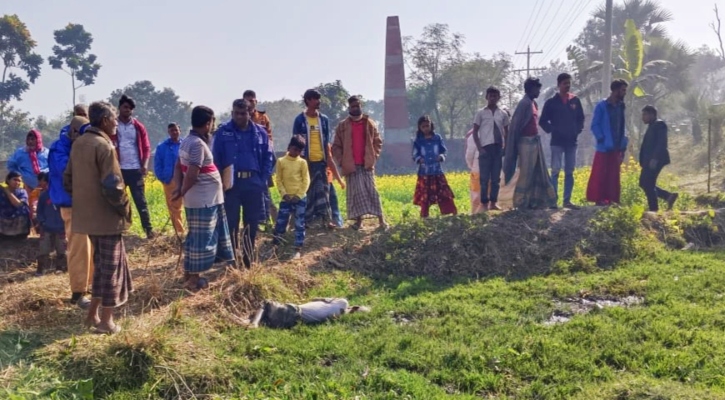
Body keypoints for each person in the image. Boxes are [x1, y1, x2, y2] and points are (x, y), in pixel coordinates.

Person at [64, 101, 132, 335]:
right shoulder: (104, 146)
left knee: (101, 268)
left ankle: (91, 315)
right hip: (107, 220)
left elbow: (68, 181)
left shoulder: (78, 144)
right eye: (113, 119)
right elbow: (114, 187)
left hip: (88, 219)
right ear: (104, 120)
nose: (116, 123)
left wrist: (86, 201)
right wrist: (125, 208)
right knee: (111, 270)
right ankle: (106, 322)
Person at [172, 106, 234, 290]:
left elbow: (177, 167)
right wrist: (181, 190)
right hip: (203, 200)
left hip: (206, 198)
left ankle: (188, 274)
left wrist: (179, 189)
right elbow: (192, 173)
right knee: (202, 240)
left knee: (197, 237)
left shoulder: (187, 141)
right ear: (208, 124)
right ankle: (193, 280)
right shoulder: (197, 145)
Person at [212, 99, 274, 268]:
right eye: (236, 113)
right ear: (232, 113)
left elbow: (268, 158)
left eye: (243, 113)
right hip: (232, 184)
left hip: (253, 183)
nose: (239, 116)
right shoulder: (223, 132)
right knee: (231, 223)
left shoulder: (260, 133)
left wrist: (262, 180)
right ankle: (232, 261)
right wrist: (221, 183)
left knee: (251, 223)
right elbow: (216, 159)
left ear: (250, 113)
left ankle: (248, 259)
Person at [50, 116, 94, 308]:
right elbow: (69, 171)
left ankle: (89, 287)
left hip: (85, 202)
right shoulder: (59, 149)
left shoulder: (76, 145)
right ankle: (78, 292)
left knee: (90, 247)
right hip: (70, 204)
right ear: (75, 132)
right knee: (78, 248)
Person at [332, 96, 387, 230]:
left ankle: (382, 221)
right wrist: (341, 161)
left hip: (366, 164)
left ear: (361, 106)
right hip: (351, 165)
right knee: (356, 193)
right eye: (353, 106)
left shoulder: (370, 123)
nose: (355, 108)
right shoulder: (343, 125)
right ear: (349, 108)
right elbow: (336, 146)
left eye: (357, 106)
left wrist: (373, 156)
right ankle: (358, 222)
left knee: (372, 192)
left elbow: (377, 142)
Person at [504, 77, 557, 210]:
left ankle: (537, 201)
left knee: (538, 171)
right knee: (526, 173)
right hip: (525, 143)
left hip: (535, 141)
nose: (538, 92)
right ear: (530, 89)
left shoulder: (533, 104)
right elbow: (515, 126)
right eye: (537, 89)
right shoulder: (524, 104)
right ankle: (520, 202)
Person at [292, 89, 339, 229]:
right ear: (308, 101)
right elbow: (296, 141)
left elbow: (326, 141)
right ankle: (306, 221)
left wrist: (328, 159)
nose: (318, 101)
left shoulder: (323, 119)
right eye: (315, 99)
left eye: (319, 99)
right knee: (307, 191)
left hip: (321, 161)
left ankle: (326, 220)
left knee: (324, 191)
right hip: (305, 162)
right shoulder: (300, 120)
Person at [539, 73, 586, 209]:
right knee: (555, 171)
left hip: (571, 142)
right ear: (558, 84)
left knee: (570, 171)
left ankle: (567, 201)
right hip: (557, 142)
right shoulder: (551, 102)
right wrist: (553, 130)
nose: (567, 85)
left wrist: (576, 131)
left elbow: (580, 119)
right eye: (564, 83)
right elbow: (543, 121)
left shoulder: (575, 101)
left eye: (569, 83)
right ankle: (553, 201)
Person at [114, 94, 154, 238]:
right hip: (119, 170)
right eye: (125, 107)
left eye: (130, 108)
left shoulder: (138, 126)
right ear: (119, 108)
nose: (128, 110)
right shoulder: (113, 124)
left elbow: (147, 147)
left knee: (141, 202)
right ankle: (120, 230)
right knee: (118, 202)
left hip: (135, 169)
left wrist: (144, 164)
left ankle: (149, 230)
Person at [586, 79, 630, 206]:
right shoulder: (601, 106)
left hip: (616, 147)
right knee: (600, 173)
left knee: (613, 175)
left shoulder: (621, 106)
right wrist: (602, 138)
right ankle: (599, 199)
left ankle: (612, 200)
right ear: (615, 90)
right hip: (604, 147)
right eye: (623, 90)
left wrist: (623, 144)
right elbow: (595, 125)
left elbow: (622, 125)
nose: (624, 93)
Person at [472, 86, 510, 211]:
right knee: (484, 178)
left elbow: (506, 132)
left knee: (495, 178)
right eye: (490, 96)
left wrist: (506, 147)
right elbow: (475, 132)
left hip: (498, 148)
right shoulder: (480, 113)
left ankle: (493, 202)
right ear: (486, 97)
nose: (493, 98)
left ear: (498, 97)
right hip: (485, 148)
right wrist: (480, 148)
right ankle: (484, 203)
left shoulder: (503, 114)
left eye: (495, 96)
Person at [244, 89, 278, 228]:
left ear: (256, 101)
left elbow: (269, 138)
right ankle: (257, 221)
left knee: (263, 190)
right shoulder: (241, 117)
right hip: (248, 161)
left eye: (253, 100)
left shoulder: (263, 118)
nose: (250, 103)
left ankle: (269, 220)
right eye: (248, 100)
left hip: (263, 159)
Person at [412, 115, 458, 218]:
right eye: (423, 126)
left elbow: (443, 151)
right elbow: (415, 154)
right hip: (424, 172)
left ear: (431, 125)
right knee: (425, 194)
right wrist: (420, 159)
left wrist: (441, 157)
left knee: (444, 192)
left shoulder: (437, 138)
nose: (425, 128)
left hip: (437, 171)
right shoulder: (418, 141)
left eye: (427, 126)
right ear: (420, 128)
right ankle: (424, 216)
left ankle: (452, 213)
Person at [272, 135, 310, 257]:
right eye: (294, 149)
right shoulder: (281, 161)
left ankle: (298, 247)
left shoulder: (302, 162)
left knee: (299, 223)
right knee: (281, 221)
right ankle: (276, 245)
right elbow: (279, 179)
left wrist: (299, 195)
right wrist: (284, 194)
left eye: (299, 151)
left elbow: (306, 180)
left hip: (300, 198)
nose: (296, 152)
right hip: (286, 198)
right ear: (289, 147)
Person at [639, 105, 678, 211]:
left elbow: (662, 143)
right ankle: (668, 196)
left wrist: (654, 159)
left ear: (652, 115)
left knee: (648, 184)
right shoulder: (651, 126)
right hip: (649, 161)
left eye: (645, 115)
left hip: (656, 160)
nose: (643, 117)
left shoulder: (660, 125)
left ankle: (654, 209)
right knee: (644, 183)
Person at [243, 297, 370, 329]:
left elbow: (316, 298)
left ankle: (254, 323)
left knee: (266, 303)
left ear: (354, 307)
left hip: (294, 310)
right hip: (292, 321)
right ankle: (254, 322)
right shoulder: (335, 317)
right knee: (267, 320)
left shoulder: (343, 303)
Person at [154, 123, 185, 235]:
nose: (174, 132)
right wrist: (164, 179)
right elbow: (157, 165)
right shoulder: (162, 147)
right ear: (168, 132)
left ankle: (192, 230)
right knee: (174, 208)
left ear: (180, 130)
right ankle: (180, 233)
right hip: (170, 181)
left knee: (191, 205)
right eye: (172, 130)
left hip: (186, 180)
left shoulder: (185, 145)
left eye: (176, 130)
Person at [34, 172, 67, 276]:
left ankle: (60, 267)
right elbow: (39, 211)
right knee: (44, 249)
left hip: (61, 228)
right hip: (46, 227)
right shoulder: (44, 195)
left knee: (62, 249)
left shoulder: (64, 195)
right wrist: (42, 222)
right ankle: (41, 269)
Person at [0, 172, 31, 238]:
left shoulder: (22, 191)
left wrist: (7, 191)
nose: (17, 182)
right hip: (3, 215)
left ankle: (20, 233)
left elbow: (18, 205)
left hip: (16, 215)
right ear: (8, 180)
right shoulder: (1, 190)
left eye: (19, 181)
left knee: (24, 210)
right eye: (15, 180)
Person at [464, 129, 485, 214]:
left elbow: (469, 154)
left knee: (476, 196)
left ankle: (475, 215)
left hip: (477, 170)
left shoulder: (474, 135)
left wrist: (470, 165)